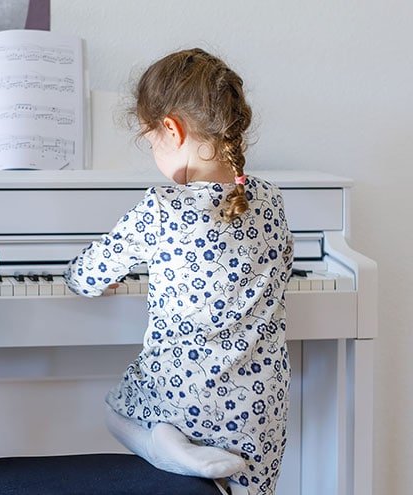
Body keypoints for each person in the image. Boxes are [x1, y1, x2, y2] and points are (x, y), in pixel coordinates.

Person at [64, 48, 292, 495]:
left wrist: (86, 274)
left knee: (116, 410)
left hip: (184, 403)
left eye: (150, 141)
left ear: (171, 129)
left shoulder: (164, 207)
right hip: (262, 409)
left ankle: (166, 447)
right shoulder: (271, 198)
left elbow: (86, 275)